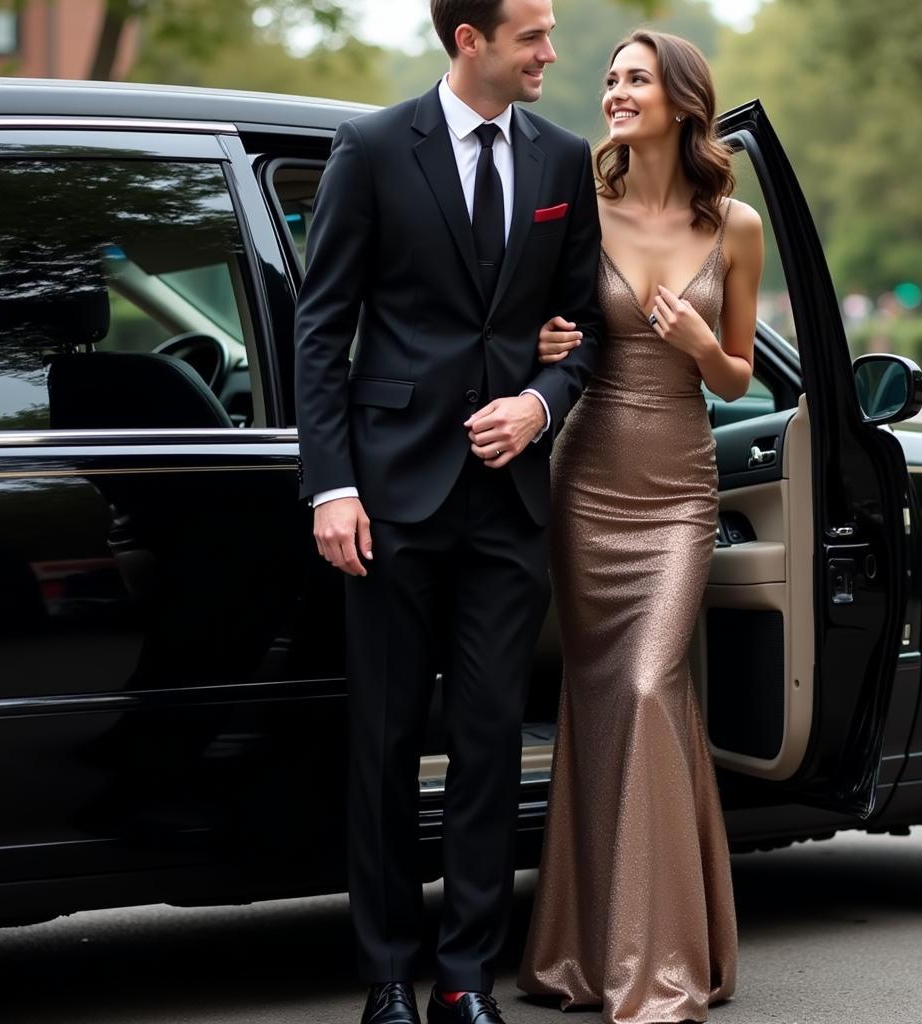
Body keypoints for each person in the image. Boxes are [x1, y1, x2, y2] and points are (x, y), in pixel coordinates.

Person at [293, 1, 604, 1022]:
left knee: (485, 744)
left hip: (506, 507)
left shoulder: (562, 162)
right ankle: (386, 973)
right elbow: (322, 323)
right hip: (387, 502)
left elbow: (586, 330)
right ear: (467, 38)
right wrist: (331, 486)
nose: (550, 56)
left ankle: (466, 978)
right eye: (532, 36)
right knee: (382, 746)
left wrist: (539, 404)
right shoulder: (374, 146)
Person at [518, 30, 764, 1024]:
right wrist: (538, 339)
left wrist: (706, 344)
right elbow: (539, 331)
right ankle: (588, 952)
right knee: (603, 697)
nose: (614, 92)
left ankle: (660, 962)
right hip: (588, 476)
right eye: (611, 78)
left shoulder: (737, 226)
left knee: (651, 681)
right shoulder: (583, 206)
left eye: (634, 78)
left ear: (681, 102)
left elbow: (739, 375)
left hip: (676, 487)